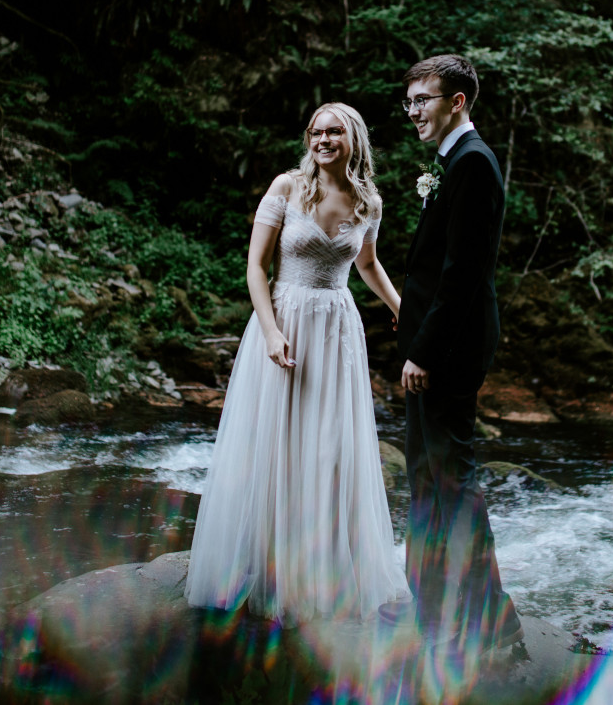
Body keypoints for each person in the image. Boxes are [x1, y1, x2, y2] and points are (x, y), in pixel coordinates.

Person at [185, 102, 410, 623]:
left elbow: (369, 264)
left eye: (334, 131)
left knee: (330, 447)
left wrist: (403, 309)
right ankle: (263, 565)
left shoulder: (368, 201)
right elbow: (255, 266)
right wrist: (270, 331)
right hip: (284, 321)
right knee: (276, 441)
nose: (323, 139)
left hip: (337, 329)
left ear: (353, 139)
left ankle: (322, 568)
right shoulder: (287, 187)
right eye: (316, 131)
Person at [386, 54, 523, 652]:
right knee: (428, 477)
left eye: (423, 100)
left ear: (457, 102)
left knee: (451, 482)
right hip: (433, 347)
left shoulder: (473, 164)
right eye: (410, 101)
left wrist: (424, 352)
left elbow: (463, 273)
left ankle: (489, 621)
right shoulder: (452, 162)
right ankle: (436, 609)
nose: (413, 111)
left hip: (447, 352)